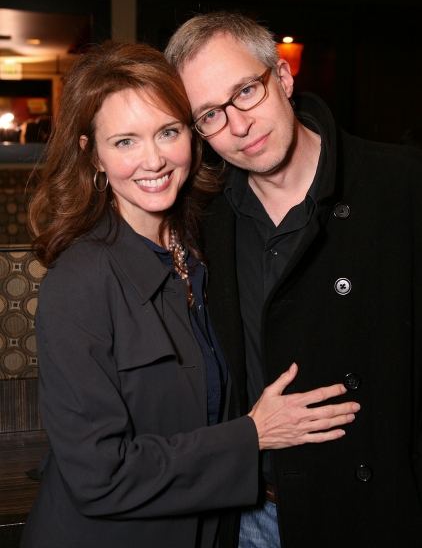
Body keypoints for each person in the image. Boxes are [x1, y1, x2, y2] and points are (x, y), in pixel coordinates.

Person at [20, 41, 359, 548]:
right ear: (92, 154)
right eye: (125, 141)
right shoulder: (81, 280)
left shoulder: (203, 248)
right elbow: (98, 475)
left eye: (168, 132)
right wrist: (253, 436)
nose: (153, 160)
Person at [165, 12, 422, 548]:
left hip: (378, 514)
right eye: (210, 114)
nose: (237, 125)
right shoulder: (201, 219)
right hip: (253, 518)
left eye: (245, 92)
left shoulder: (401, 185)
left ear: (282, 77)